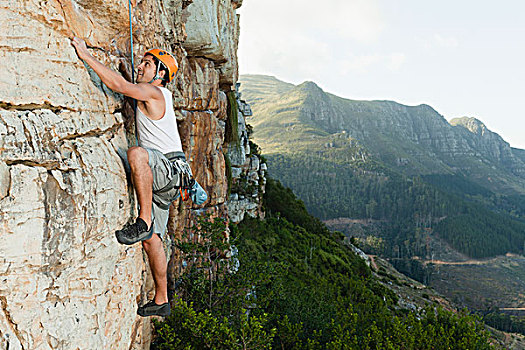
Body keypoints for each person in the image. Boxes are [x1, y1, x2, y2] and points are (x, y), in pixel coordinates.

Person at [71, 37, 184, 317]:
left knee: (136, 154)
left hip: (165, 169)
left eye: (147, 64)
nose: (141, 67)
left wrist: (85, 54)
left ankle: (143, 221)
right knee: (153, 241)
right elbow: (127, 85)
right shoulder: (154, 95)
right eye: (142, 62)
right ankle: (161, 299)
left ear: (160, 75)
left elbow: (121, 87)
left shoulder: (155, 93)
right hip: (168, 179)